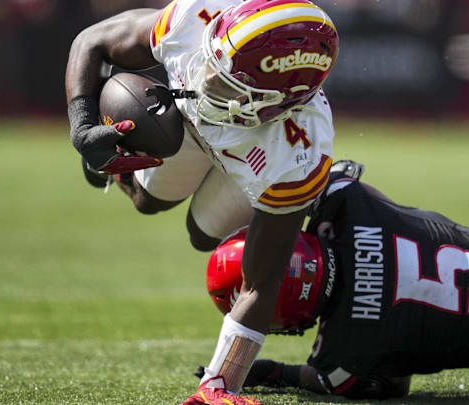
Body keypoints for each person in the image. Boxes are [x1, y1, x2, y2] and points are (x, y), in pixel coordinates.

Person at [65, 1, 339, 403]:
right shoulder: (196, 19)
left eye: (228, 82)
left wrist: (220, 383)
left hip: (255, 152)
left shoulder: (296, 156)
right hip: (191, 128)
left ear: (279, 101)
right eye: (215, 61)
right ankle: (116, 159)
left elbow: (260, 285)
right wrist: (83, 126)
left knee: (204, 236)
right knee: (148, 201)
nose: (207, 78)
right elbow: (90, 41)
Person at [199, 160, 469, 399]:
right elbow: (331, 181)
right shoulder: (346, 201)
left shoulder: (343, 357)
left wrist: (273, 372)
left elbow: (392, 385)